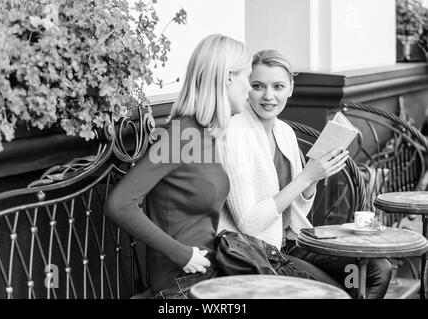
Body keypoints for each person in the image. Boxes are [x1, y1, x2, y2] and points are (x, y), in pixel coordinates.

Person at [217, 49, 392, 299]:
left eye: (278, 86)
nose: (269, 96)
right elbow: (248, 223)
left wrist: (314, 180)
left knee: (376, 270)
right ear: (247, 88)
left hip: (293, 241)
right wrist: (306, 177)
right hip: (258, 250)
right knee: (332, 291)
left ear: (290, 88)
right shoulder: (235, 133)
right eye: (258, 86)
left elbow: (296, 211)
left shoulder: (284, 132)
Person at [104, 34, 252, 299]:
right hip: (182, 283)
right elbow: (120, 203)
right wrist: (182, 255)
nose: (249, 88)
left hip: (213, 271)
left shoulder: (206, 133)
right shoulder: (182, 135)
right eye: (248, 78)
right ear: (228, 78)